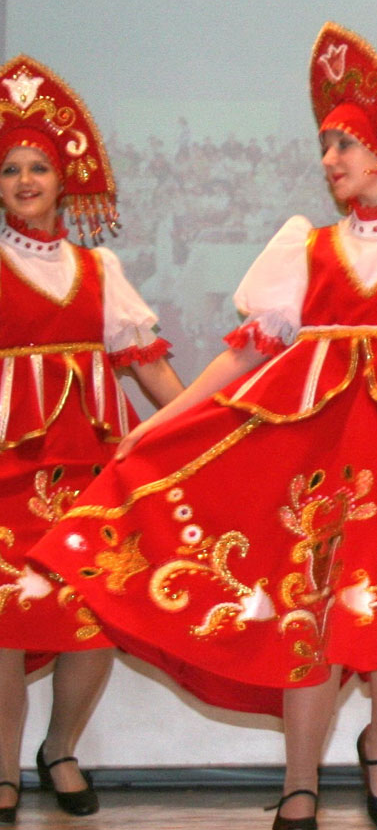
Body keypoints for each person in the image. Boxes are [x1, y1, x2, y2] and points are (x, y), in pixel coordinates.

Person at [30, 24, 377, 830]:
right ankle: (300, 781)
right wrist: (163, 425)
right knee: (311, 607)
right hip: (317, 451)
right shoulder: (308, 247)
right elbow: (243, 357)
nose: (329, 160)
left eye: (345, 145)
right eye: (326, 146)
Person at [0, 55, 183, 823]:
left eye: (38, 165)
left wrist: (213, 430)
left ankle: (60, 747)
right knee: (5, 616)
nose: (24, 180)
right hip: (9, 468)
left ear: (64, 177)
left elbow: (150, 370)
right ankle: (3, 768)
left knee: (92, 614)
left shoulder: (95, 267)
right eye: (9, 169)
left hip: (93, 466)